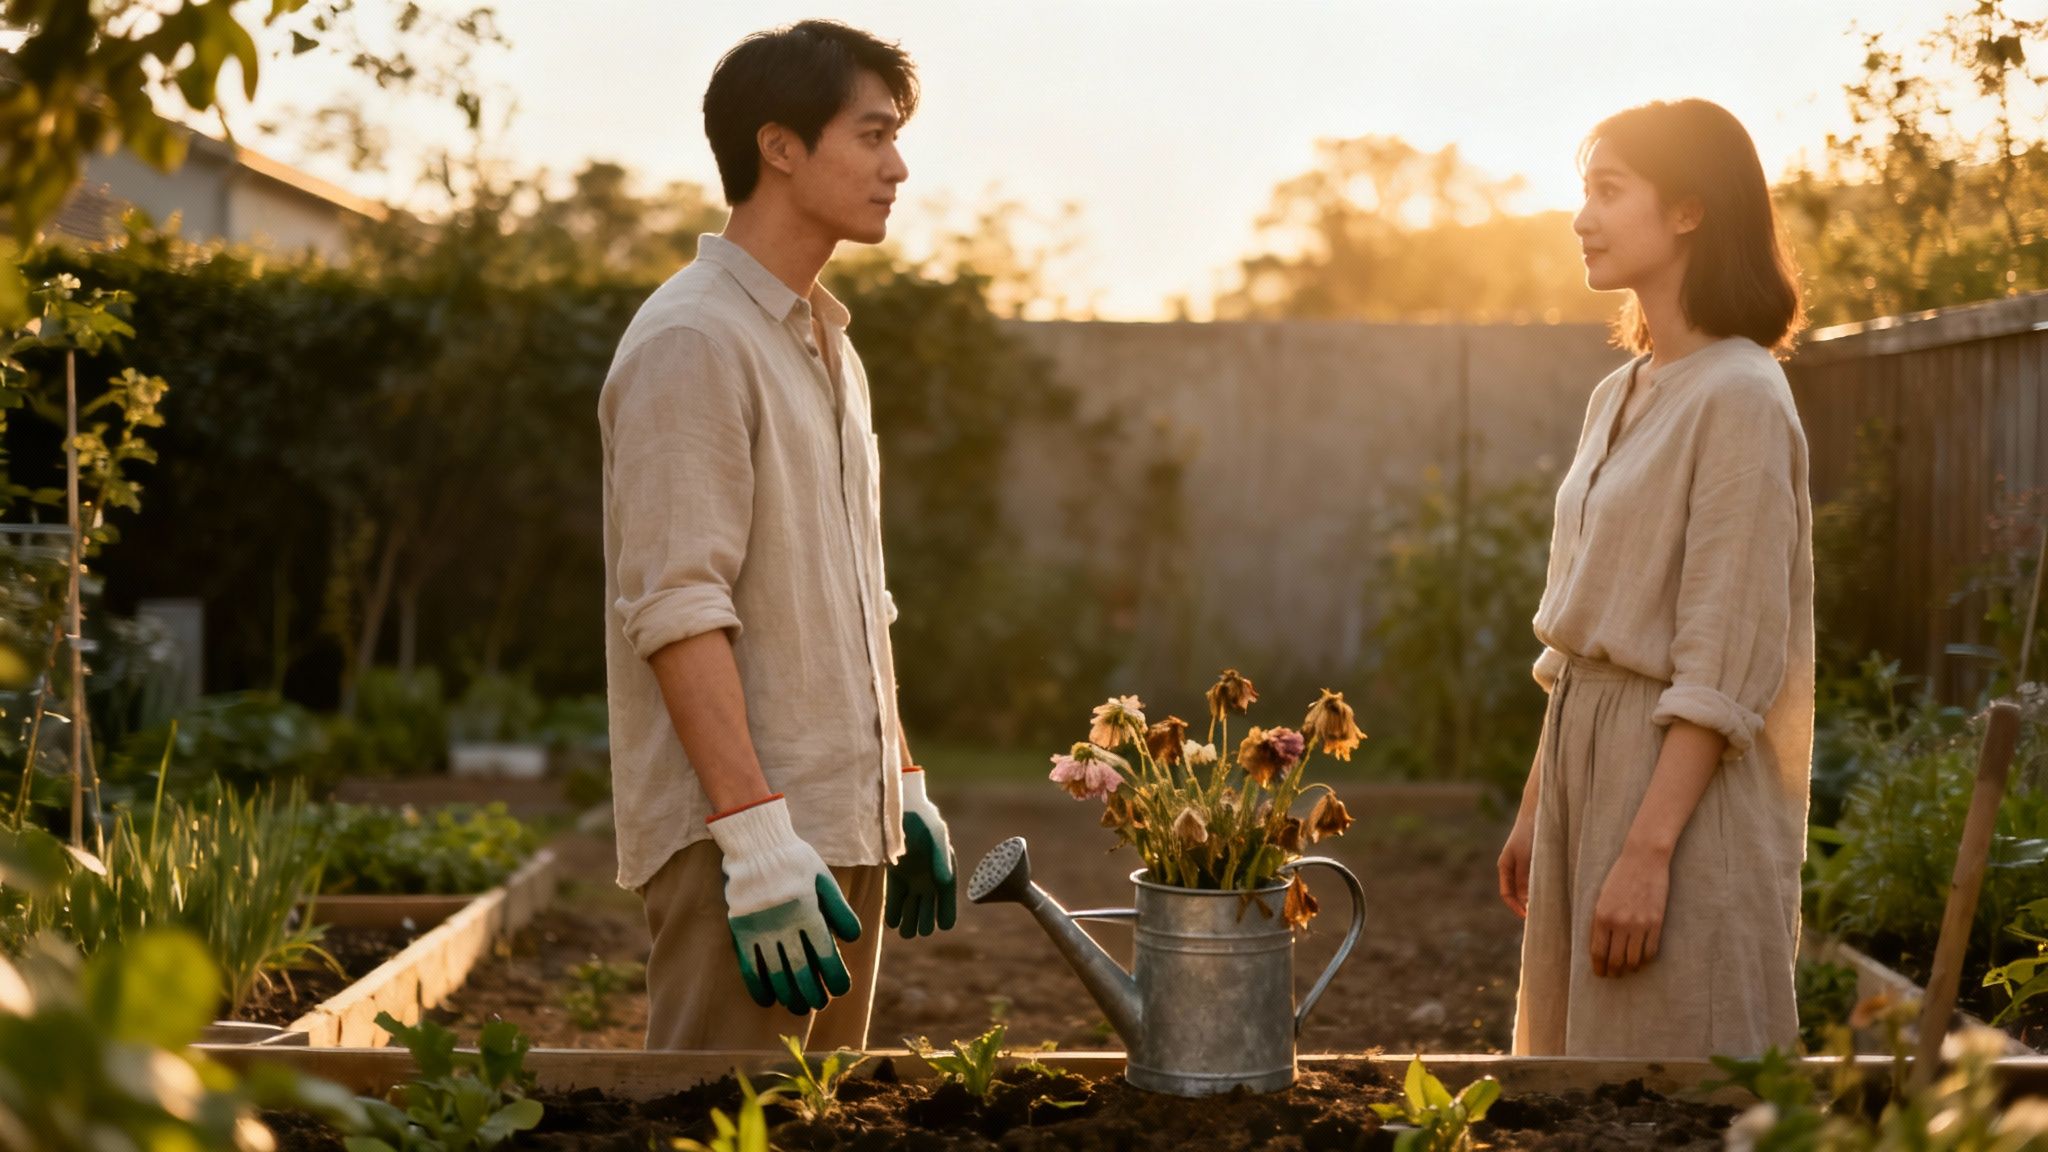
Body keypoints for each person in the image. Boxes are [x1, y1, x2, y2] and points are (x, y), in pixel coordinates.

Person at [598, 19, 957, 1052]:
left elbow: (851, 595)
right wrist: (753, 837)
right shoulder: (691, 341)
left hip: (843, 828)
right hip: (743, 851)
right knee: (723, 1124)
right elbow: (675, 608)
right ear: (780, 147)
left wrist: (902, 778)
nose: (897, 166)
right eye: (872, 135)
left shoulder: (826, 348)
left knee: (817, 1124)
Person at [1495, 98, 1813, 1058]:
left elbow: (1721, 658)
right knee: (1568, 1082)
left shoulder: (1742, 395)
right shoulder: (1617, 391)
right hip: (1582, 761)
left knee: (1671, 1073)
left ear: (1687, 210)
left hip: (1674, 787)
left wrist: (1647, 853)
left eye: (1606, 191)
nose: (1581, 217)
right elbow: (1579, 629)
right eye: (1580, 193)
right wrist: (1534, 804)